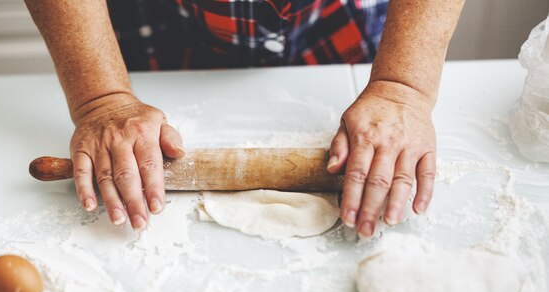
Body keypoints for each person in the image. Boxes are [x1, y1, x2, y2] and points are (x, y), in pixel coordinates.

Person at [25, 0, 465, 238]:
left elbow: (401, 86)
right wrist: (102, 98)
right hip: (172, 24)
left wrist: (401, 85)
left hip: (337, 22)